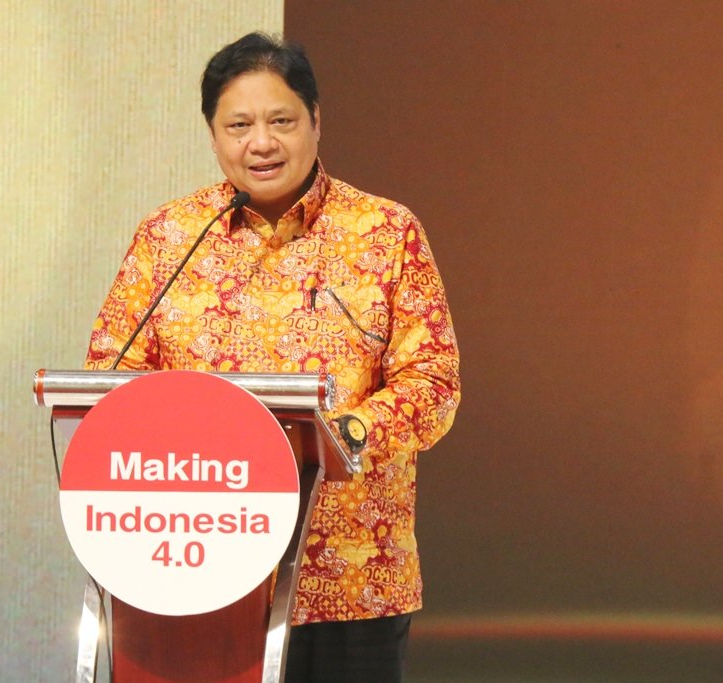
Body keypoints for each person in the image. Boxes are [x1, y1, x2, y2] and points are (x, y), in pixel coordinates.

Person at [84, 31, 460, 683]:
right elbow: (109, 381)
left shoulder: (385, 232)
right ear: (213, 135)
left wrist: (343, 435)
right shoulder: (169, 237)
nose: (261, 143)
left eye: (281, 121)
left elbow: (432, 383)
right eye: (239, 125)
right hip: (197, 570)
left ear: (315, 120)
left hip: (348, 580)